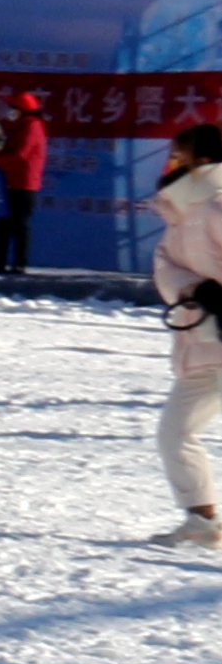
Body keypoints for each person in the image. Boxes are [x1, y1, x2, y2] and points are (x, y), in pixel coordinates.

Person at [149, 119, 222, 547]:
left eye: (178, 153)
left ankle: (203, 521)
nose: (171, 159)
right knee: (176, 433)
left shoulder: (211, 204)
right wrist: (197, 290)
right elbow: (163, 265)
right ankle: (202, 520)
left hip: (214, 342)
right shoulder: (184, 208)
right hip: (203, 336)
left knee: (176, 432)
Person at [0, 89, 49, 276]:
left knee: (19, 224)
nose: (9, 110)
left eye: (12, 107)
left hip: (24, 184)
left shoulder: (32, 127)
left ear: (21, 109)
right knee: (2, 224)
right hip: (9, 181)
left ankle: (19, 264)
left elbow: (20, 156)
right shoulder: (18, 126)